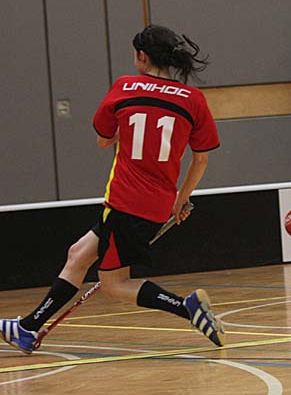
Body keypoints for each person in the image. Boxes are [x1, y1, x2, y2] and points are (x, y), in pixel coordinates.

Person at [0, 25, 225, 354]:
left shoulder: (125, 86)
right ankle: (27, 327)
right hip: (154, 205)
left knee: (115, 284)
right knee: (78, 254)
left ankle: (186, 308)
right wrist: (182, 198)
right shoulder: (193, 99)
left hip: (126, 203)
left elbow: (103, 141)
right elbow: (201, 158)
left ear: (142, 56)